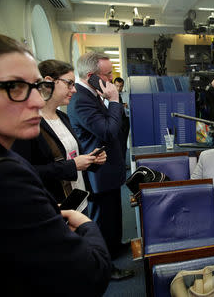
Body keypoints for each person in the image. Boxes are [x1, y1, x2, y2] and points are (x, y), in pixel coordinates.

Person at [0, 34, 111, 295]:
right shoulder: (8, 175)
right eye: (15, 86)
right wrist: (85, 225)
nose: (37, 100)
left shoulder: (60, 118)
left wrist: (89, 162)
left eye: (36, 86)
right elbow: (90, 273)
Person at [67, 52, 134, 280]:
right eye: (107, 74)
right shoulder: (81, 100)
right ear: (91, 76)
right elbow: (107, 130)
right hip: (98, 171)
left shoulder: (93, 94)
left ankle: (115, 247)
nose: (111, 78)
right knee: (103, 219)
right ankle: (107, 265)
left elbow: (117, 127)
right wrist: (114, 101)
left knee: (113, 213)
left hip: (109, 167)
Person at [12, 60, 106, 204]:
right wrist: (72, 166)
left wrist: (91, 160)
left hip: (79, 198)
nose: (74, 90)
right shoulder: (28, 124)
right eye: (69, 83)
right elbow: (24, 173)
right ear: (49, 81)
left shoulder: (63, 117)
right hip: (55, 205)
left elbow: (69, 156)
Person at [113, 77, 130, 164]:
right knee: (116, 143)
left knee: (123, 143)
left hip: (125, 121)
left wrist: (127, 107)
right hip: (115, 121)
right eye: (117, 86)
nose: (119, 88)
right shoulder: (110, 95)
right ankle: (116, 162)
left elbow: (130, 109)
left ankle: (123, 162)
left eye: (121, 86)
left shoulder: (126, 95)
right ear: (113, 85)